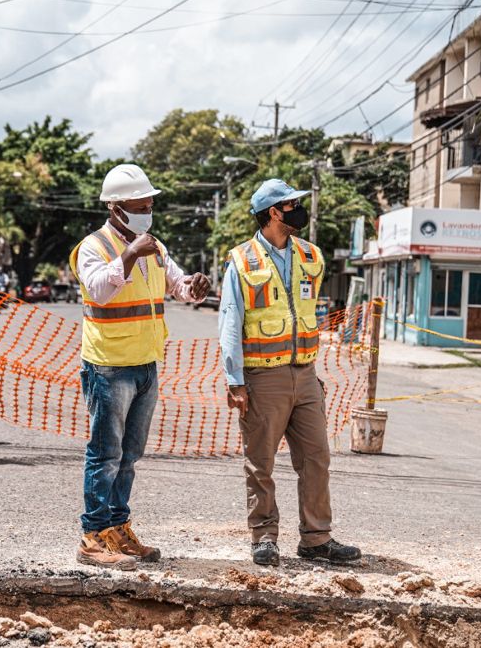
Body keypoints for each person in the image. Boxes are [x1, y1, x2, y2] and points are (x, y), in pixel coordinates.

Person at [69, 163, 210, 570]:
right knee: (105, 453)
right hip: (109, 366)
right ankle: (92, 536)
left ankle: (118, 528)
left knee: (129, 455)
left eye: (150, 202)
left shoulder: (156, 247)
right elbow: (99, 291)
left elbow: (177, 286)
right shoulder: (93, 247)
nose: (148, 208)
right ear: (116, 207)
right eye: (140, 203)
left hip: (147, 364)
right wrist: (130, 254)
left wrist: (193, 289)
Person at [219, 179, 362, 567]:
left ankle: (317, 539)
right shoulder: (243, 261)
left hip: (305, 374)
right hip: (263, 377)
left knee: (317, 457)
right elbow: (231, 322)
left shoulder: (310, 256)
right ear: (272, 213)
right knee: (260, 461)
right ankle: (264, 537)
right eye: (291, 204)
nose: (299, 209)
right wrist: (235, 380)